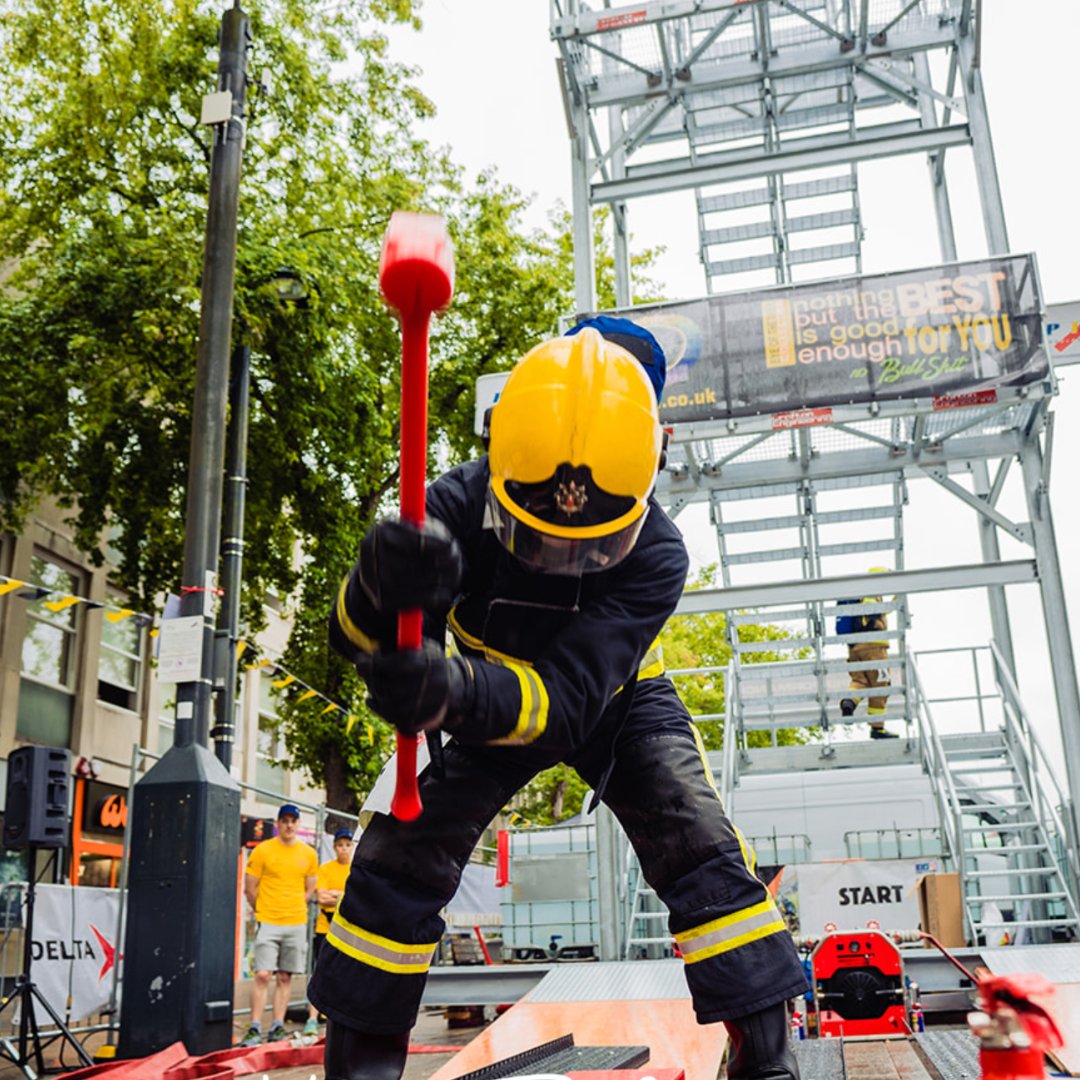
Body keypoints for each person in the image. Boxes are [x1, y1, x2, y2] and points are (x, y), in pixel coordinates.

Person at [308, 321, 809, 1080]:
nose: (568, 561)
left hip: (612, 702)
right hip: (475, 697)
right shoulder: (453, 501)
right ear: (500, 465)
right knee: (398, 855)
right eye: (537, 540)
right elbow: (352, 636)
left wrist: (450, 691)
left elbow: (570, 702)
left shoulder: (661, 554)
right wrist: (375, 587)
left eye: (596, 545)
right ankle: (360, 1067)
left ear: (653, 466)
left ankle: (765, 1058)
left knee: (696, 840)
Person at [240, 803, 318, 1046]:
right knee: (263, 974)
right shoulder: (263, 850)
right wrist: (263, 908)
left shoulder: (309, 854)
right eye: (284, 820)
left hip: (295, 921)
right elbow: (249, 888)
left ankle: (277, 1025)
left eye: (293, 820)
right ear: (277, 824)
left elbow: (310, 886)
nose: (289, 825)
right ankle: (254, 1026)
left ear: (298, 824)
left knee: (285, 976)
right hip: (269, 920)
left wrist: (296, 904)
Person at [303, 828, 356, 1038]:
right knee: (321, 972)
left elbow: (357, 897)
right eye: (340, 845)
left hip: (348, 929)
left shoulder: (355, 870)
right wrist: (343, 896)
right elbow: (322, 898)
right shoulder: (324, 869)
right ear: (334, 847)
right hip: (325, 928)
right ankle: (312, 1019)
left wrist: (336, 895)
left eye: (347, 845)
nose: (344, 849)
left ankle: (343, 1017)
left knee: (348, 974)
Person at [838, 567, 897, 739]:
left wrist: (898, 597)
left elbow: (881, 611)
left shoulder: (860, 594)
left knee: (860, 681)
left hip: (855, 649)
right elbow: (873, 611)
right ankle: (877, 728)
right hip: (874, 649)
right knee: (881, 684)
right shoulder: (871, 593)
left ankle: (849, 702)